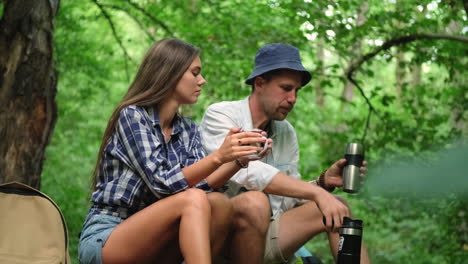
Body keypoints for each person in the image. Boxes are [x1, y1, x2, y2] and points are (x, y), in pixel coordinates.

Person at [78, 38, 270, 264]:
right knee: (193, 199)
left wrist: (238, 160)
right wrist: (219, 155)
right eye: (195, 73)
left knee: (220, 204)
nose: (202, 80)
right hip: (110, 235)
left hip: (157, 238)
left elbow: (201, 185)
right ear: (169, 73)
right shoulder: (133, 116)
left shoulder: (187, 129)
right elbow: (162, 183)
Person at [200, 43, 371, 264]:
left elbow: (289, 197)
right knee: (254, 202)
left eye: (297, 91)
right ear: (260, 83)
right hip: (224, 240)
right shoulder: (222, 115)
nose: (293, 99)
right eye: (286, 88)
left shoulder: (286, 132)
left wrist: (323, 182)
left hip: (269, 235)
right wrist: (318, 194)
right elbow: (250, 173)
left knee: (339, 208)